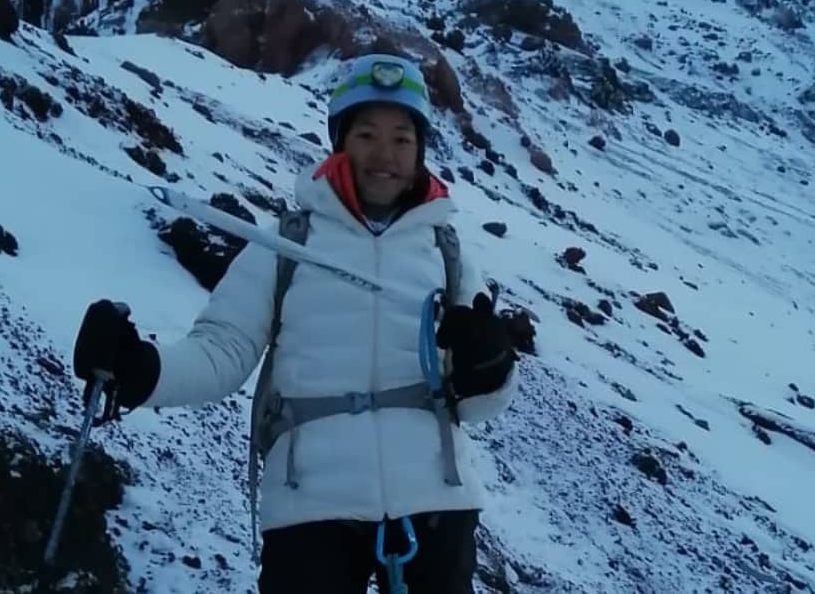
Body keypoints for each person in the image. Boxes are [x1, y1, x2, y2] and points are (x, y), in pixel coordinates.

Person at [71, 52, 520, 593]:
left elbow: (478, 405)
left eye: (402, 139)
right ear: (340, 141)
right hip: (311, 503)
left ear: (420, 149)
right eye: (367, 135)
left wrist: (491, 367)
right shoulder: (285, 244)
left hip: (436, 502)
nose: (385, 155)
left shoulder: (448, 253)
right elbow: (221, 351)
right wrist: (140, 369)